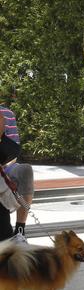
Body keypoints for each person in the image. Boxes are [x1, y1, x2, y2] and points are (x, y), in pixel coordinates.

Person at [0, 103, 34, 242]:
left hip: (4, 167)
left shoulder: (6, 114)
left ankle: (20, 230)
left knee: (25, 170)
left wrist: (4, 171)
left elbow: (13, 152)